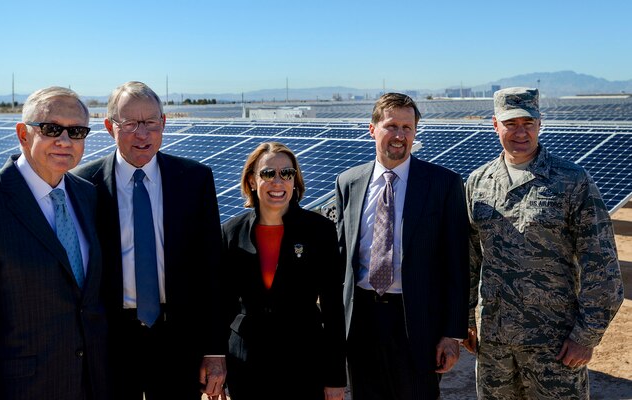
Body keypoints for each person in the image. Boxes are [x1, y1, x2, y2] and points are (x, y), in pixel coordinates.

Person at [0, 87, 108, 399]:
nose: (65, 140)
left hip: (91, 386)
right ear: (23, 133)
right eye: (51, 128)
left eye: (77, 131)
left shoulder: (88, 196)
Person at [463, 87, 624, 399]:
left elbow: (601, 265)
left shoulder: (571, 180)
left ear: (540, 124)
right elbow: (468, 260)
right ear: (495, 125)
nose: (520, 132)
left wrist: (586, 335)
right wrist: (466, 319)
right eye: (511, 123)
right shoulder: (478, 182)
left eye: (528, 122)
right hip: (494, 345)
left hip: (555, 346)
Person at [73, 81, 227, 400]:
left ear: (164, 124)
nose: (142, 134)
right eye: (129, 123)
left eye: (151, 123)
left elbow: (211, 270)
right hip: (110, 340)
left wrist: (214, 350)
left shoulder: (194, 179)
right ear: (108, 126)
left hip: (178, 339)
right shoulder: (83, 186)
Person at [335, 92, 470, 400]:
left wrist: (452, 334)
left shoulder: (443, 184)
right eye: (391, 125)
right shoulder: (348, 182)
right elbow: (342, 258)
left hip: (417, 320)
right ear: (372, 129)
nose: (399, 135)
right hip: (361, 319)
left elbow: (457, 265)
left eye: (407, 128)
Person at [221, 141, 346, 400]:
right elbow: (221, 305)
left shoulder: (320, 231)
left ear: (294, 181)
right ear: (252, 181)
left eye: (286, 174)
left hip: (302, 364)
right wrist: (217, 365)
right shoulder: (231, 232)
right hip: (245, 364)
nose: (278, 181)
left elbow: (334, 310)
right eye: (268, 174)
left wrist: (335, 377)